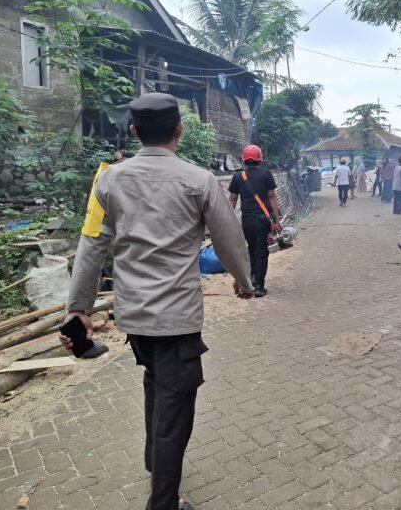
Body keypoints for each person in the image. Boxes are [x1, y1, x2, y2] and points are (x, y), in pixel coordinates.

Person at [62, 93, 254, 510]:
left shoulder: (108, 180)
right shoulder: (199, 180)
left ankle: (155, 461)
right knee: (176, 410)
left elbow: (92, 244)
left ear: (134, 132)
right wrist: (244, 281)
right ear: (179, 131)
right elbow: (228, 239)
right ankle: (163, 502)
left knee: (156, 382)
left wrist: (80, 308)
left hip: (135, 316)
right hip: (177, 317)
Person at [228, 145, 282, 298]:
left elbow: (232, 199)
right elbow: (272, 196)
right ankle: (259, 286)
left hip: (247, 220)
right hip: (262, 220)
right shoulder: (266, 174)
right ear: (260, 158)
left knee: (250, 249)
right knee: (262, 252)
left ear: (244, 159)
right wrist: (277, 219)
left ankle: (251, 279)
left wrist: (228, 219)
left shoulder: (238, 176)